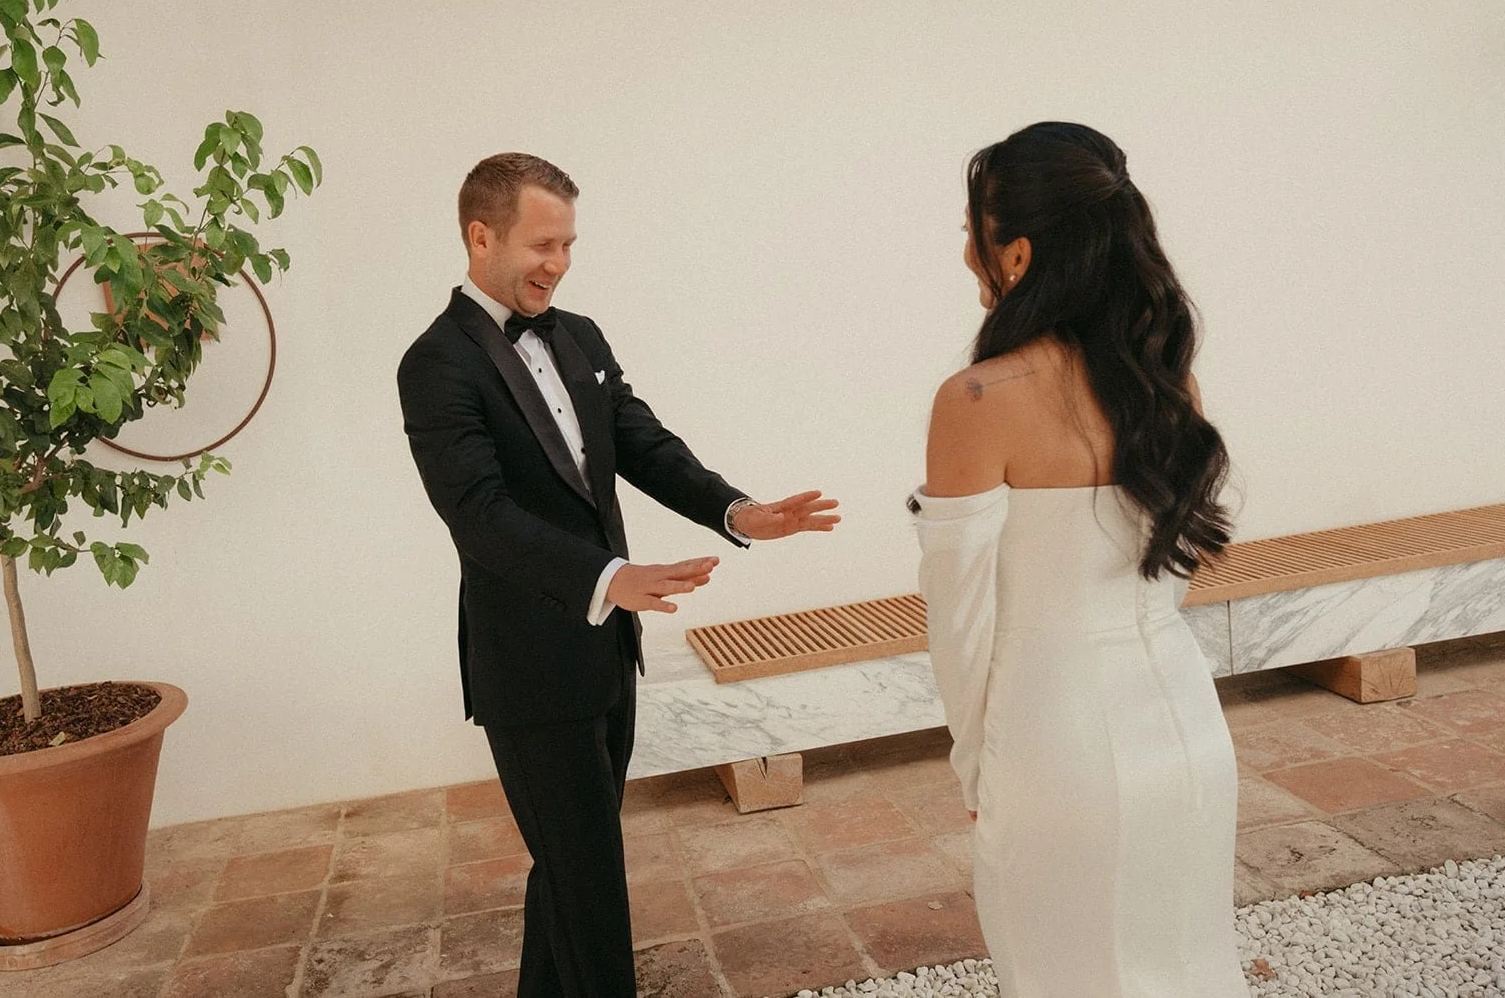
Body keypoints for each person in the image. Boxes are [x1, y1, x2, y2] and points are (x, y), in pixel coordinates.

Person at [397, 153, 839, 998]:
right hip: (528, 664)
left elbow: (640, 442)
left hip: (608, 653)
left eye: (568, 244)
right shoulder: (436, 364)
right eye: (541, 244)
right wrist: (609, 575)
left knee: (569, 867)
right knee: (590, 879)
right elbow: (479, 513)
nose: (558, 264)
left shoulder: (581, 335)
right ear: (479, 235)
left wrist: (736, 510)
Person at [912, 122, 1249, 995]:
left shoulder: (978, 399)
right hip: (1186, 729)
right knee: (1186, 967)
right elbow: (1167, 571)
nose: (963, 253)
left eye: (969, 231)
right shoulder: (1164, 377)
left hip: (1055, 745)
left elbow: (959, 617)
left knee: (1062, 973)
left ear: (1016, 252)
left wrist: (973, 761)